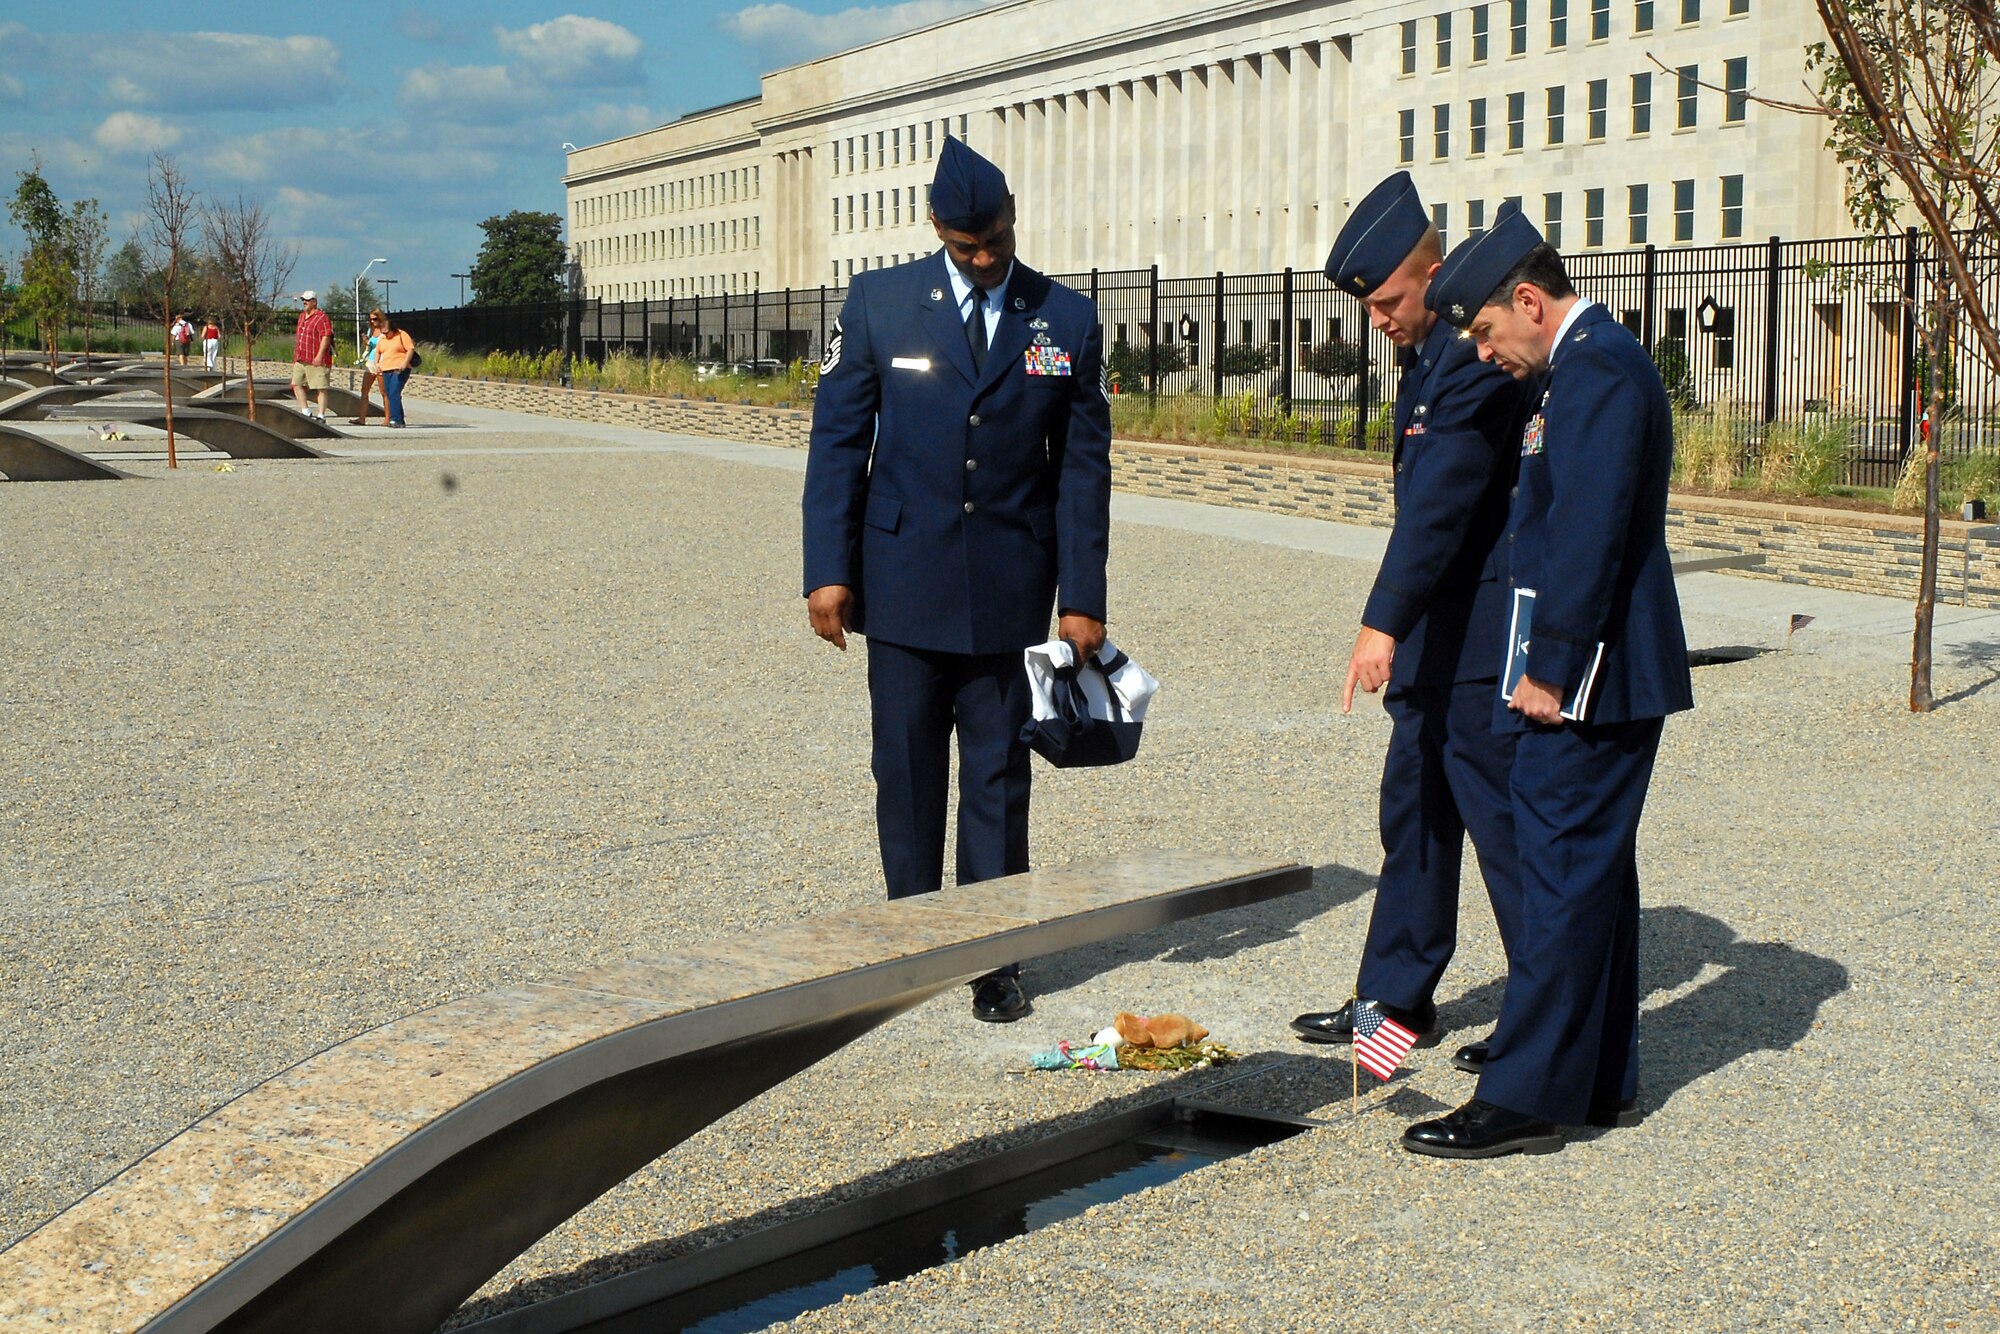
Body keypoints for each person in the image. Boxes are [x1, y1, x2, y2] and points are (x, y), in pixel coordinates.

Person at [1401, 203, 1693, 1159]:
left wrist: (1550, 668)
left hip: (1589, 676)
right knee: (1588, 878)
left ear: (1528, 301)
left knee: (1562, 874)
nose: (1482, 353)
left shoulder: (1598, 368)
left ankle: (1523, 1097)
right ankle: (1598, 1077)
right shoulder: (1581, 366)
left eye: (1485, 330)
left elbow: (1590, 532)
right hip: (1588, 672)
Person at [801, 137, 1112, 1024]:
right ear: (936, 227)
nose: (986, 259)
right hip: (899, 582)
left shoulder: (1065, 319)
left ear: (1012, 222)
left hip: (1011, 586)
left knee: (998, 777)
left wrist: (1082, 596)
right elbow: (837, 444)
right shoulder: (879, 304)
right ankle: (913, 940)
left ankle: (993, 956)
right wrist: (827, 571)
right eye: (970, 245)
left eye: (998, 241)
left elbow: (1083, 469)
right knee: (903, 772)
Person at [1288, 172, 1533, 1057]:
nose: (1380, 318)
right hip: (1439, 639)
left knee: (1503, 834)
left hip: (1481, 640)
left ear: (1432, 269)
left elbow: (1442, 506)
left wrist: (1380, 622)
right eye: (1372, 306)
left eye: (1391, 299)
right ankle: (1393, 1002)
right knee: (1416, 821)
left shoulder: (1473, 363)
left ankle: (1542, 1021)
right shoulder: (1426, 359)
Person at [290, 291, 335, 422]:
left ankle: (321, 415)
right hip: (301, 357)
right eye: (303, 300)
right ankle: (306, 411)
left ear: (314, 301)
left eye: (307, 300)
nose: (304, 302)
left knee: (320, 387)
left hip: (315, 358)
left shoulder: (322, 317)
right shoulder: (302, 316)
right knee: (296, 384)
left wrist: (320, 355)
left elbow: (326, 336)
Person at [373, 311, 415, 428]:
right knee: (390, 393)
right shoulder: (382, 339)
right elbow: (378, 351)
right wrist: (377, 363)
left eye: (387, 332)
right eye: (383, 333)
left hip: (400, 369)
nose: (386, 335)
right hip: (386, 369)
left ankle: (394, 418)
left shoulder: (402, 335)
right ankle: (399, 419)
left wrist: (404, 363)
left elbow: (410, 349)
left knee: (394, 392)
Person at [351, 310, 383, 425]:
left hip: (381, 361)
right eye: (371, 319)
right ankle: (362, 418)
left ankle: (388, 418)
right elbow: (368, 346)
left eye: (375, 319)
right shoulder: (371, 330)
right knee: (364, 390)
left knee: (384, 392)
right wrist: (365, 341)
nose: (373, 322)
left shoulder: (385, 331)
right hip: (371, 360)